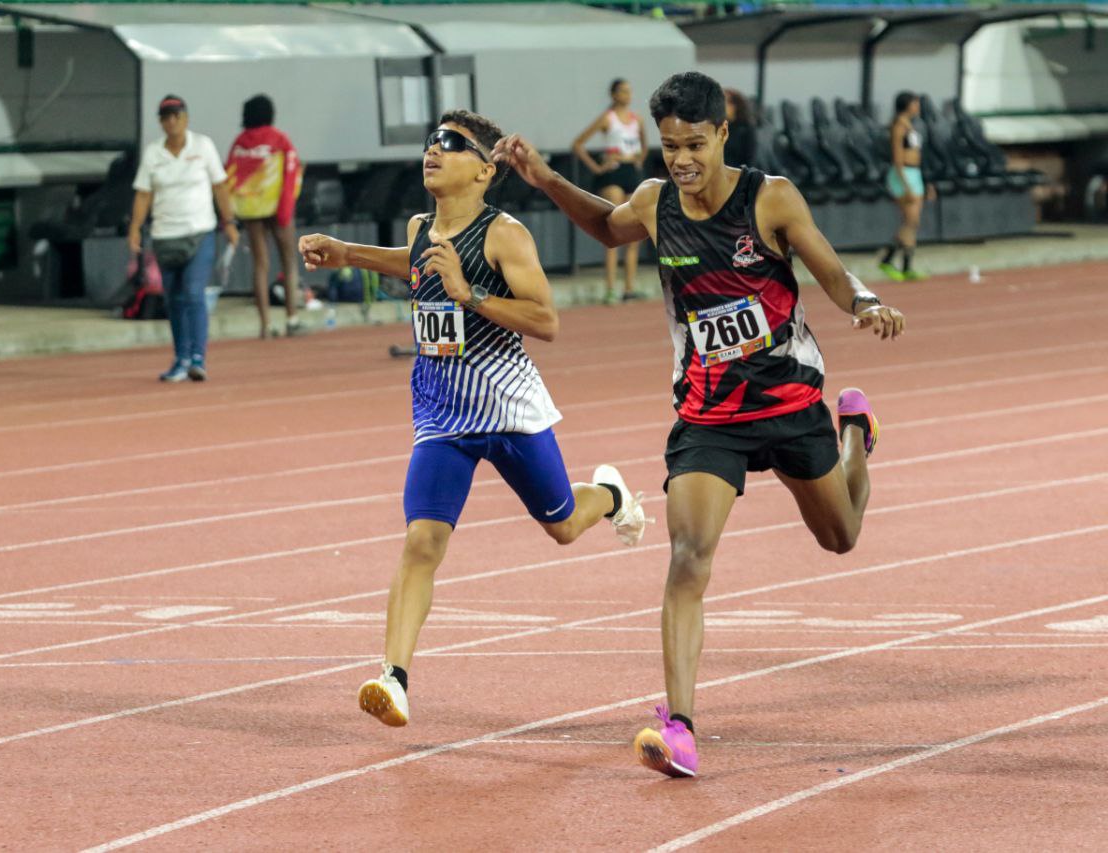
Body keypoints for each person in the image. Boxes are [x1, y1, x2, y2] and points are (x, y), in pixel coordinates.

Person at [494, 71, 905, 778]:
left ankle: (852, 433)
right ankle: (678, 724)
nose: (680, 159)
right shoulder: (656, 202)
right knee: (688, 555)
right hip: (709, 415)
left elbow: (831, 270)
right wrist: (545, 178)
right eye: (669, 146)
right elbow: (603, 223)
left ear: (722, 133)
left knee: (841, 536)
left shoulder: (769, 197)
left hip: (787, 404)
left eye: (693, 144)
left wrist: (865, 303)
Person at [298, 110, 648, 728]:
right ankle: (394, 678)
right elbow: (409, 261)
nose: (434, 151)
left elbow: (548, 322)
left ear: (487, 171)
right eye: (431, 142)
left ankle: (613, 495)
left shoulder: (504, 235)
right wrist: (343, 252)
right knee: (421, 542)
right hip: (442, 412)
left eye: (453, 145)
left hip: (508, 408)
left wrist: (470, 295)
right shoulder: (420, 227)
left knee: (564, 525)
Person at [129, 94, 239, 382]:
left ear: (186, 118)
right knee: (173, 299)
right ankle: (181, 358)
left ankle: (198, 358)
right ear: (161, 122)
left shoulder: (202, 146)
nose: (172, 121)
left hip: (198, 231)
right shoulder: (154, 153)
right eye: (166, 117)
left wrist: (228, 222)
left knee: (193, 293)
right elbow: (143, 194)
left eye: (177, 115)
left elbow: (220, 186)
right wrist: (135, 228)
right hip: (165, 235)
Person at [226, 94, 304, 338]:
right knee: (289, 261)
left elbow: (229, 175)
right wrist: (285, 211)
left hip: (251, 209)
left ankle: (265, 324)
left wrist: (232, 211)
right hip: (278, 207)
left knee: (260, 264)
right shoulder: (279, 139)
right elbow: (291, 173)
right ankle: (292, 319)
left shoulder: (239, 143)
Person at [572, 79, 648, 303]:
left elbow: (644, 144)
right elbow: (578, 144)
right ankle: (611, 288)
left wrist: (638, 159)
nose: (628, 94)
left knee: (635, 231)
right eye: (623, 91)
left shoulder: (637, 119)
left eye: (629, 90)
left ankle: (629, 287)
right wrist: (598, 167)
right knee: (615, 230)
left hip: (631, 172)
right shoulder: (608, 118)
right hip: (612, 174)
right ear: (614, 94)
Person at [878, 91, 929, 281]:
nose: (918, 107)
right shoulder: (899, 126)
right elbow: (898, 157)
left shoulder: (911, 126)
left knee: (912, 223)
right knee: (910, 221)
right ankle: (888, 259)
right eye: (915, 103)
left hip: (915, 173)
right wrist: (905, 184)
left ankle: (907, 266)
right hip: (904, 174)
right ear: (907, 105)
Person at [723, 87, 756, 169]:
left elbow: (749, 160)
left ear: (736, 106)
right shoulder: (718, 126)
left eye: (727, 102)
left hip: (737, 174)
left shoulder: (745, 129)